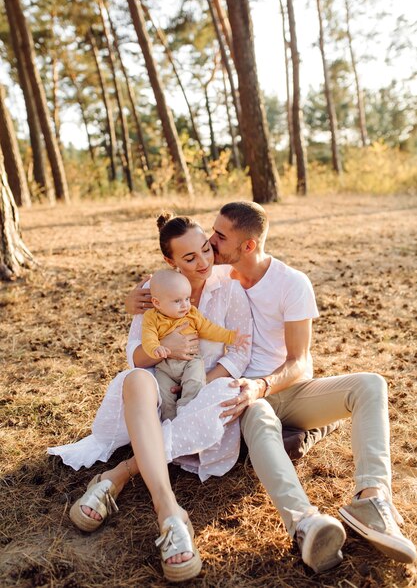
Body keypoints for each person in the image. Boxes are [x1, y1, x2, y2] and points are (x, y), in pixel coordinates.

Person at [206, 201, 416, 571]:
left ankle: (371, 498)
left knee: (370, 384)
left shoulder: (291, 283)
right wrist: (137, 298)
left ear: (249, 246)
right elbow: (172, 277)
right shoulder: (217, 276)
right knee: (259, 416)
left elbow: (299, 362)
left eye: (221, 236)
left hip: (290, 390)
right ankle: (305, 522)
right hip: (245, 398)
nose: (212, 241)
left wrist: (263, 385)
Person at [48, 213, 252, 583]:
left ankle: (118, 476)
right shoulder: (151, 291)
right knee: (136, 381)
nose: (203, 262)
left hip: (203, 387)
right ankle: (170, 511)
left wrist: (201, 381)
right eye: (189, 258)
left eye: (206, 249)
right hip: (157, 383)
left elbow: (239, 353)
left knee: (217, 396)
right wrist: (165, 349)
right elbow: (134, 357)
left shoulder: (230, 287)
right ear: (169, 262)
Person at [143, 269, 250, 421]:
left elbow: (210, 329)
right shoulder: (151, 317)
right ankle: (169, 419)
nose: (184, 305)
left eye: (187, 299)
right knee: (162, 391)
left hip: (190, 361)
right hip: (165, 365)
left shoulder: (191, 314)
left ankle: (187, 408)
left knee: (195, 380)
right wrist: (155, 347)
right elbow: (148, 336)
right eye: (177, 301)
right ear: (157, 303)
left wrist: (231, 337)